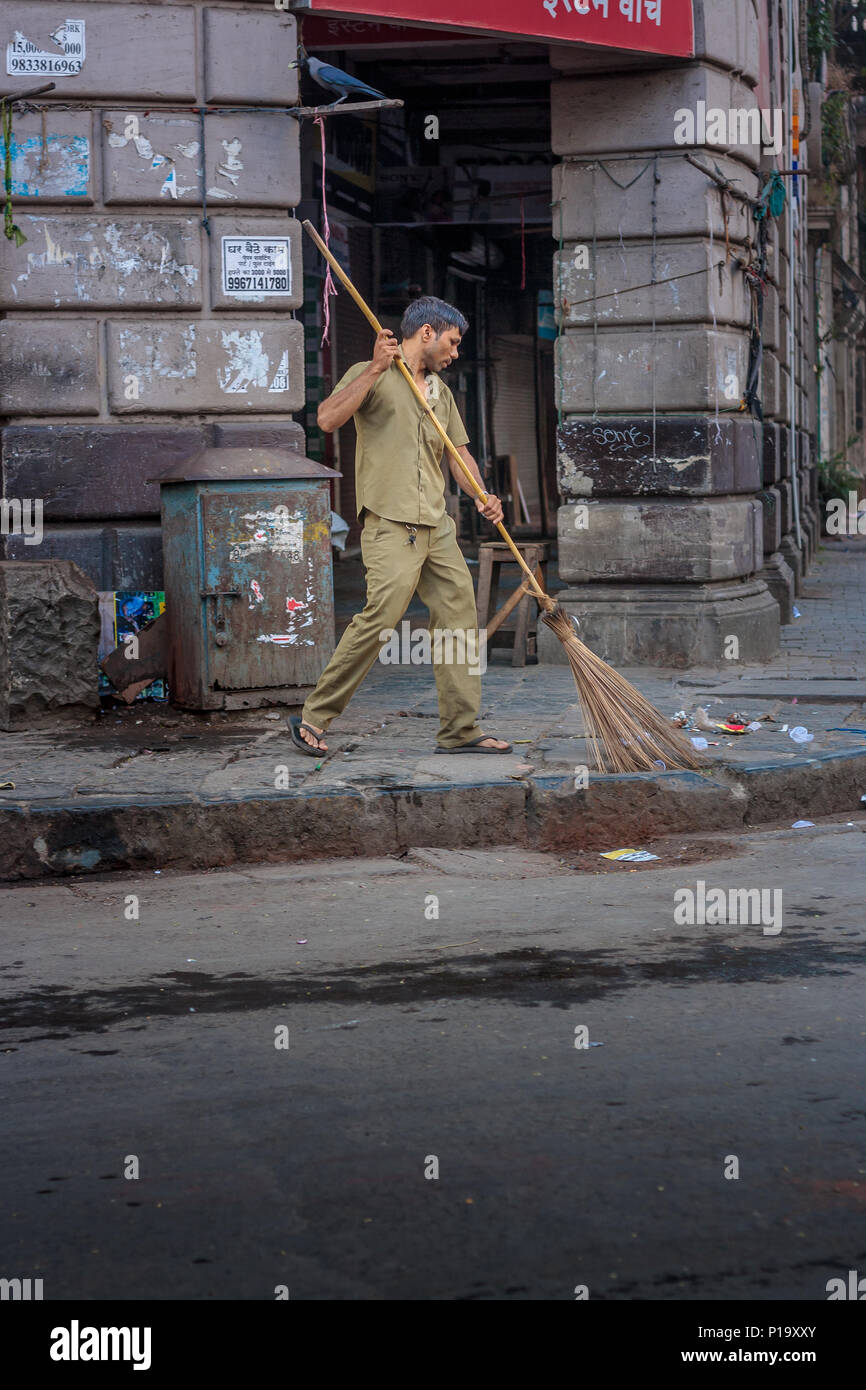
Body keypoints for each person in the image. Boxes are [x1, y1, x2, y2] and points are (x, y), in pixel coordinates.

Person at [289, 295, 512, 757]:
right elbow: (328, 419)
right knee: (381, 617)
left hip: (437, 524)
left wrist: (483, 495)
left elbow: (458, 454)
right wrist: (373, 369)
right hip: (390, 522)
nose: (455, 353)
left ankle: (460, 730)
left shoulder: (442, 394)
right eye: (451, 342)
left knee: (457, 620)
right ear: (426, 332)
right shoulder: (372, 372)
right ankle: (315, 716)